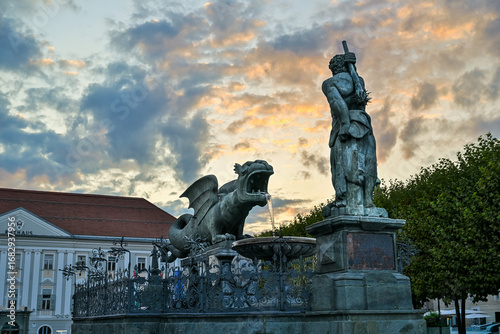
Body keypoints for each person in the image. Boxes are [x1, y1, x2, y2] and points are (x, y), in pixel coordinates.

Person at [322, 51, 387, 217]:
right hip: (364, 124)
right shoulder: (359, 81)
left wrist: (344, 124)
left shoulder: (330, 83)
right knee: (368, 163)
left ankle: (346, 202)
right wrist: (354, 69)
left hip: (346, 127)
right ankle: (368, 202)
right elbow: (359, 96)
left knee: (344, 165)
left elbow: (337, 103)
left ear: (334, 68)